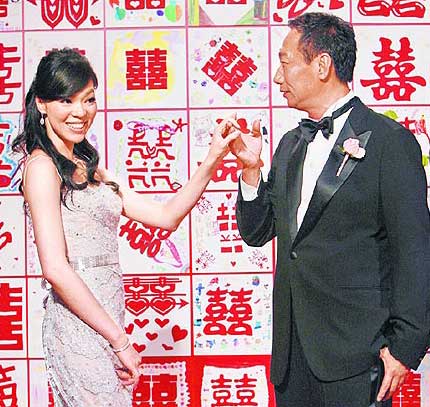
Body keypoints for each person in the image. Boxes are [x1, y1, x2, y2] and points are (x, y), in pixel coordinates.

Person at [12, 48, 239, 406]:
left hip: (108, 319)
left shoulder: (91, 167)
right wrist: (119, 341)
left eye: (88, 99)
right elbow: (55, 268)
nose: (80, 112)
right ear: (41, 104)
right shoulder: (41, 168)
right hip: (78, 327)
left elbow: (166, 216)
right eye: (66, 100)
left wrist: (213, 158)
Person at [229, 12, 430, 407]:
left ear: (322, 65)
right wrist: (251, 170)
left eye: (286, 62)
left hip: (359, 357)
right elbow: (257, 231)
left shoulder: (389, 142)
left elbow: (415, 252)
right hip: (292, 359)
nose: (277, 77)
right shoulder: (290, 144)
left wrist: (405, 347)